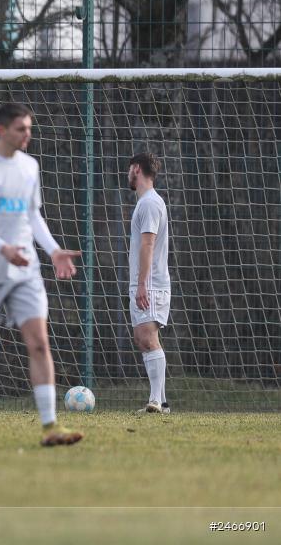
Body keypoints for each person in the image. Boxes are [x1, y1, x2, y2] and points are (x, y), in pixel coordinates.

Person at [0, 102, 84, 448]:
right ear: (2, 130)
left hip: (25, 270)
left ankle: (50, 427)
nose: (28, 135)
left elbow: (33, 216)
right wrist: (2, 247)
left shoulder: (30, 167)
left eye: (29, 128)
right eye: (21, 129)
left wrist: (53, 249)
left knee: (40, 343)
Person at [127, 152, 171, 414]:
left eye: (129, 169)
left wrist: (143, 284)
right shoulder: (145, 202)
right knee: (142, 339)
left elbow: (148, 243)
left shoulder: (150, 203)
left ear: (136, 169)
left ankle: (155, 401)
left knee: (147, 336)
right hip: (144, 282)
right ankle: (162, 403)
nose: (127, 174)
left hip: (150, 283)